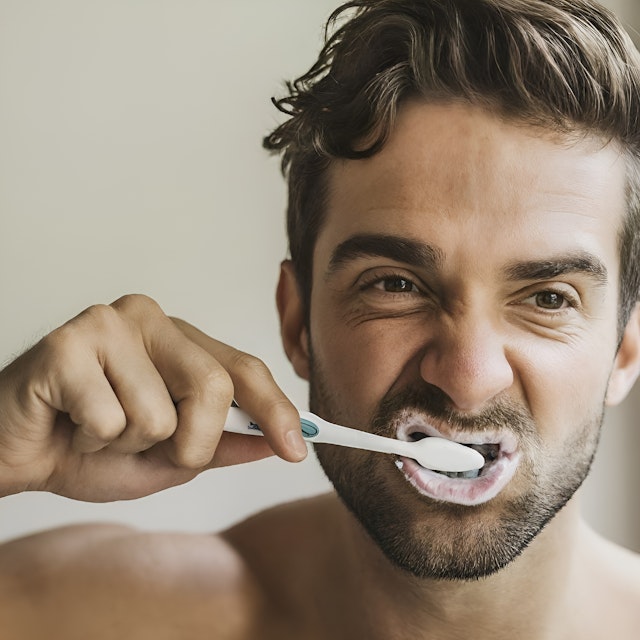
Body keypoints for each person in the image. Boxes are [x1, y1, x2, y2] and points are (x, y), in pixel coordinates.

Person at [1, 0, 639, 637]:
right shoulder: (84, 614)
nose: (467, 377)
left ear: (626, 348)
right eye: (396, 285)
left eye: (548, 298)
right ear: (297, 323)